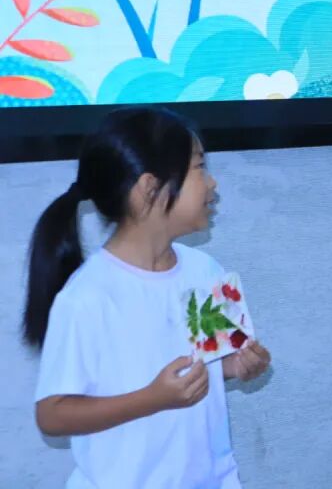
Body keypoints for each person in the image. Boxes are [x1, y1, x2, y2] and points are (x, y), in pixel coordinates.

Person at [23, 107, 271, 488]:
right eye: (199, 168)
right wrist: (152, 398)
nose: (212, 183)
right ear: (148, 190)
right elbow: (52, 414)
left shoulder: (206, 270)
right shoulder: (89, 296)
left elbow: (204, 361)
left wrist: (235, 366)